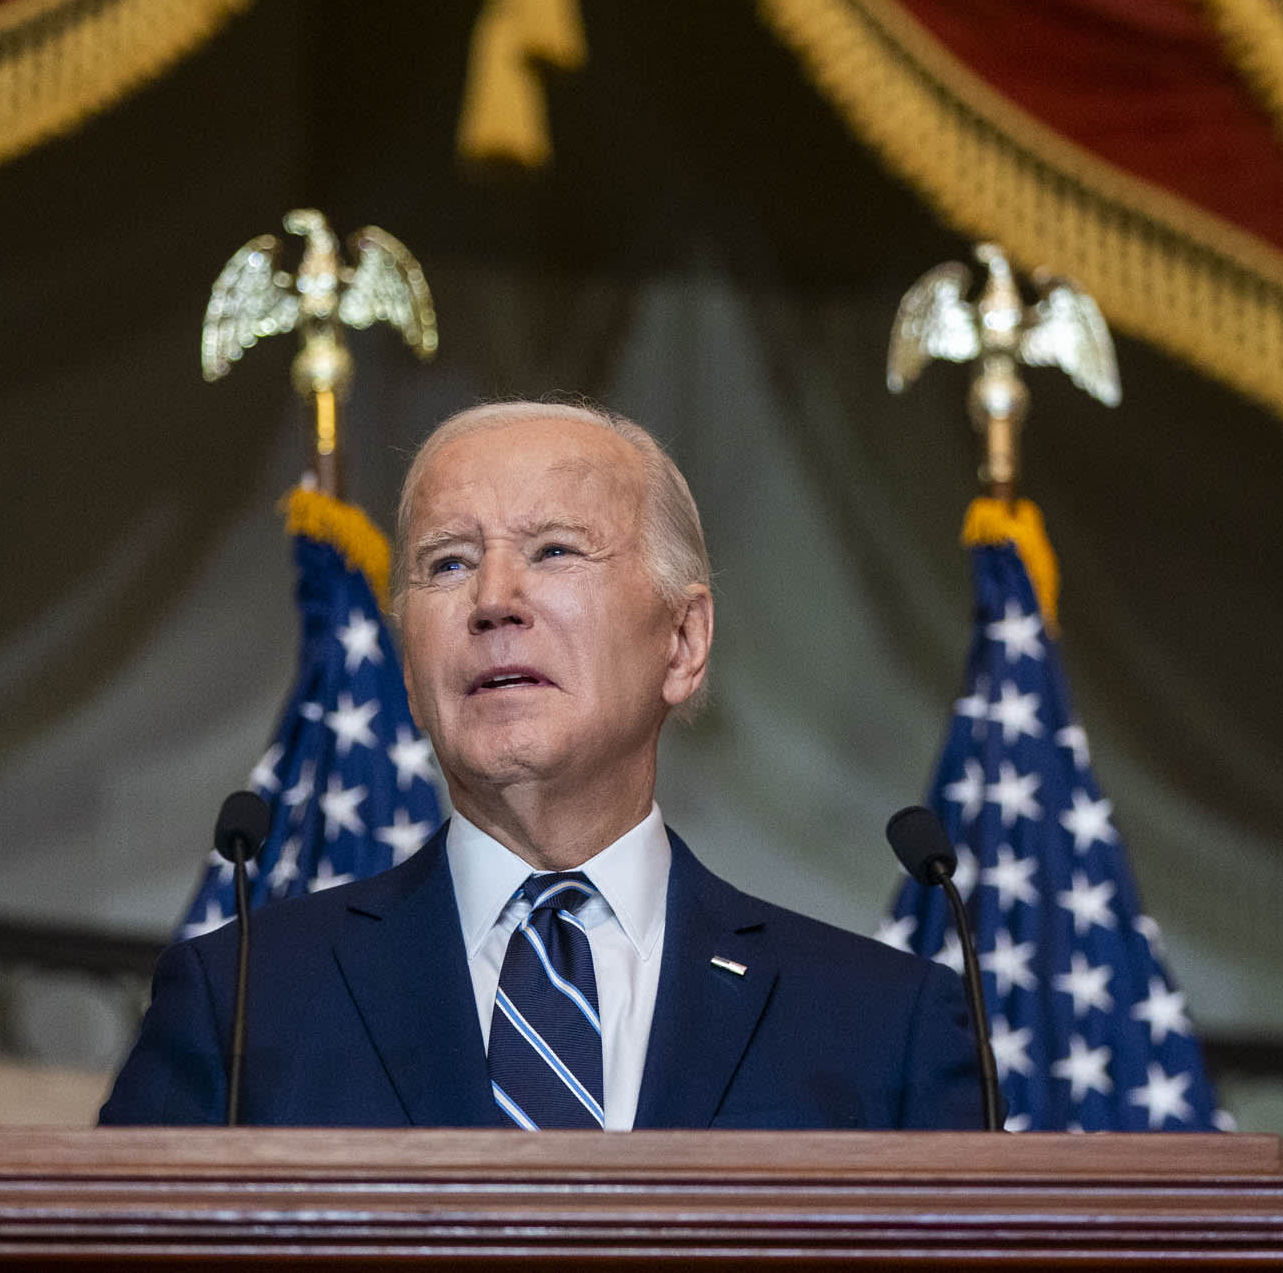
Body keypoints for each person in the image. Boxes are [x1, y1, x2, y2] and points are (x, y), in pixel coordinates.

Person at [101, 400, 983, 1129]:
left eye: (555, 550)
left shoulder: (880, 1028)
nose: (493, 600)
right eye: (449, 562)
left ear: (684, 639)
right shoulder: (244, 1005)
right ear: (409, 668)